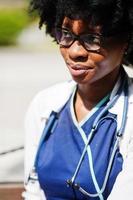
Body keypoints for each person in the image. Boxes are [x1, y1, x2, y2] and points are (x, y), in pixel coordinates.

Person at [23, 0, 133, 199]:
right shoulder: (45, 105)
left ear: (126, 40)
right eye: (66, 34)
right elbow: (33, 192)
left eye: (92, 38)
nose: (75, 52)